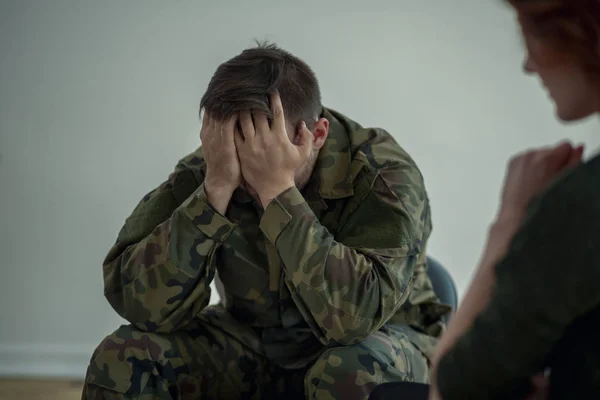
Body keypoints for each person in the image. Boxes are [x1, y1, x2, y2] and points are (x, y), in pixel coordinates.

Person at [82, 42, 450, 400]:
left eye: (263, 152)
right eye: (235, 149)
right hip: (255, 340)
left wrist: (278, 192)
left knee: (348, 371)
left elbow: (353, 320)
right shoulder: (214, 166)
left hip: (383, 340)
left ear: (315, 135)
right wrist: (214, 191)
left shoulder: (382, 173)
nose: (246, 170)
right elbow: (135, 301)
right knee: (124, 357)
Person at [426, 1, 600, 399]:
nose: (528, 65)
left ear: (578, 32)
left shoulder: (579, 204)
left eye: (531, 34)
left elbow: (453, 388)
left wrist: (510, 219)